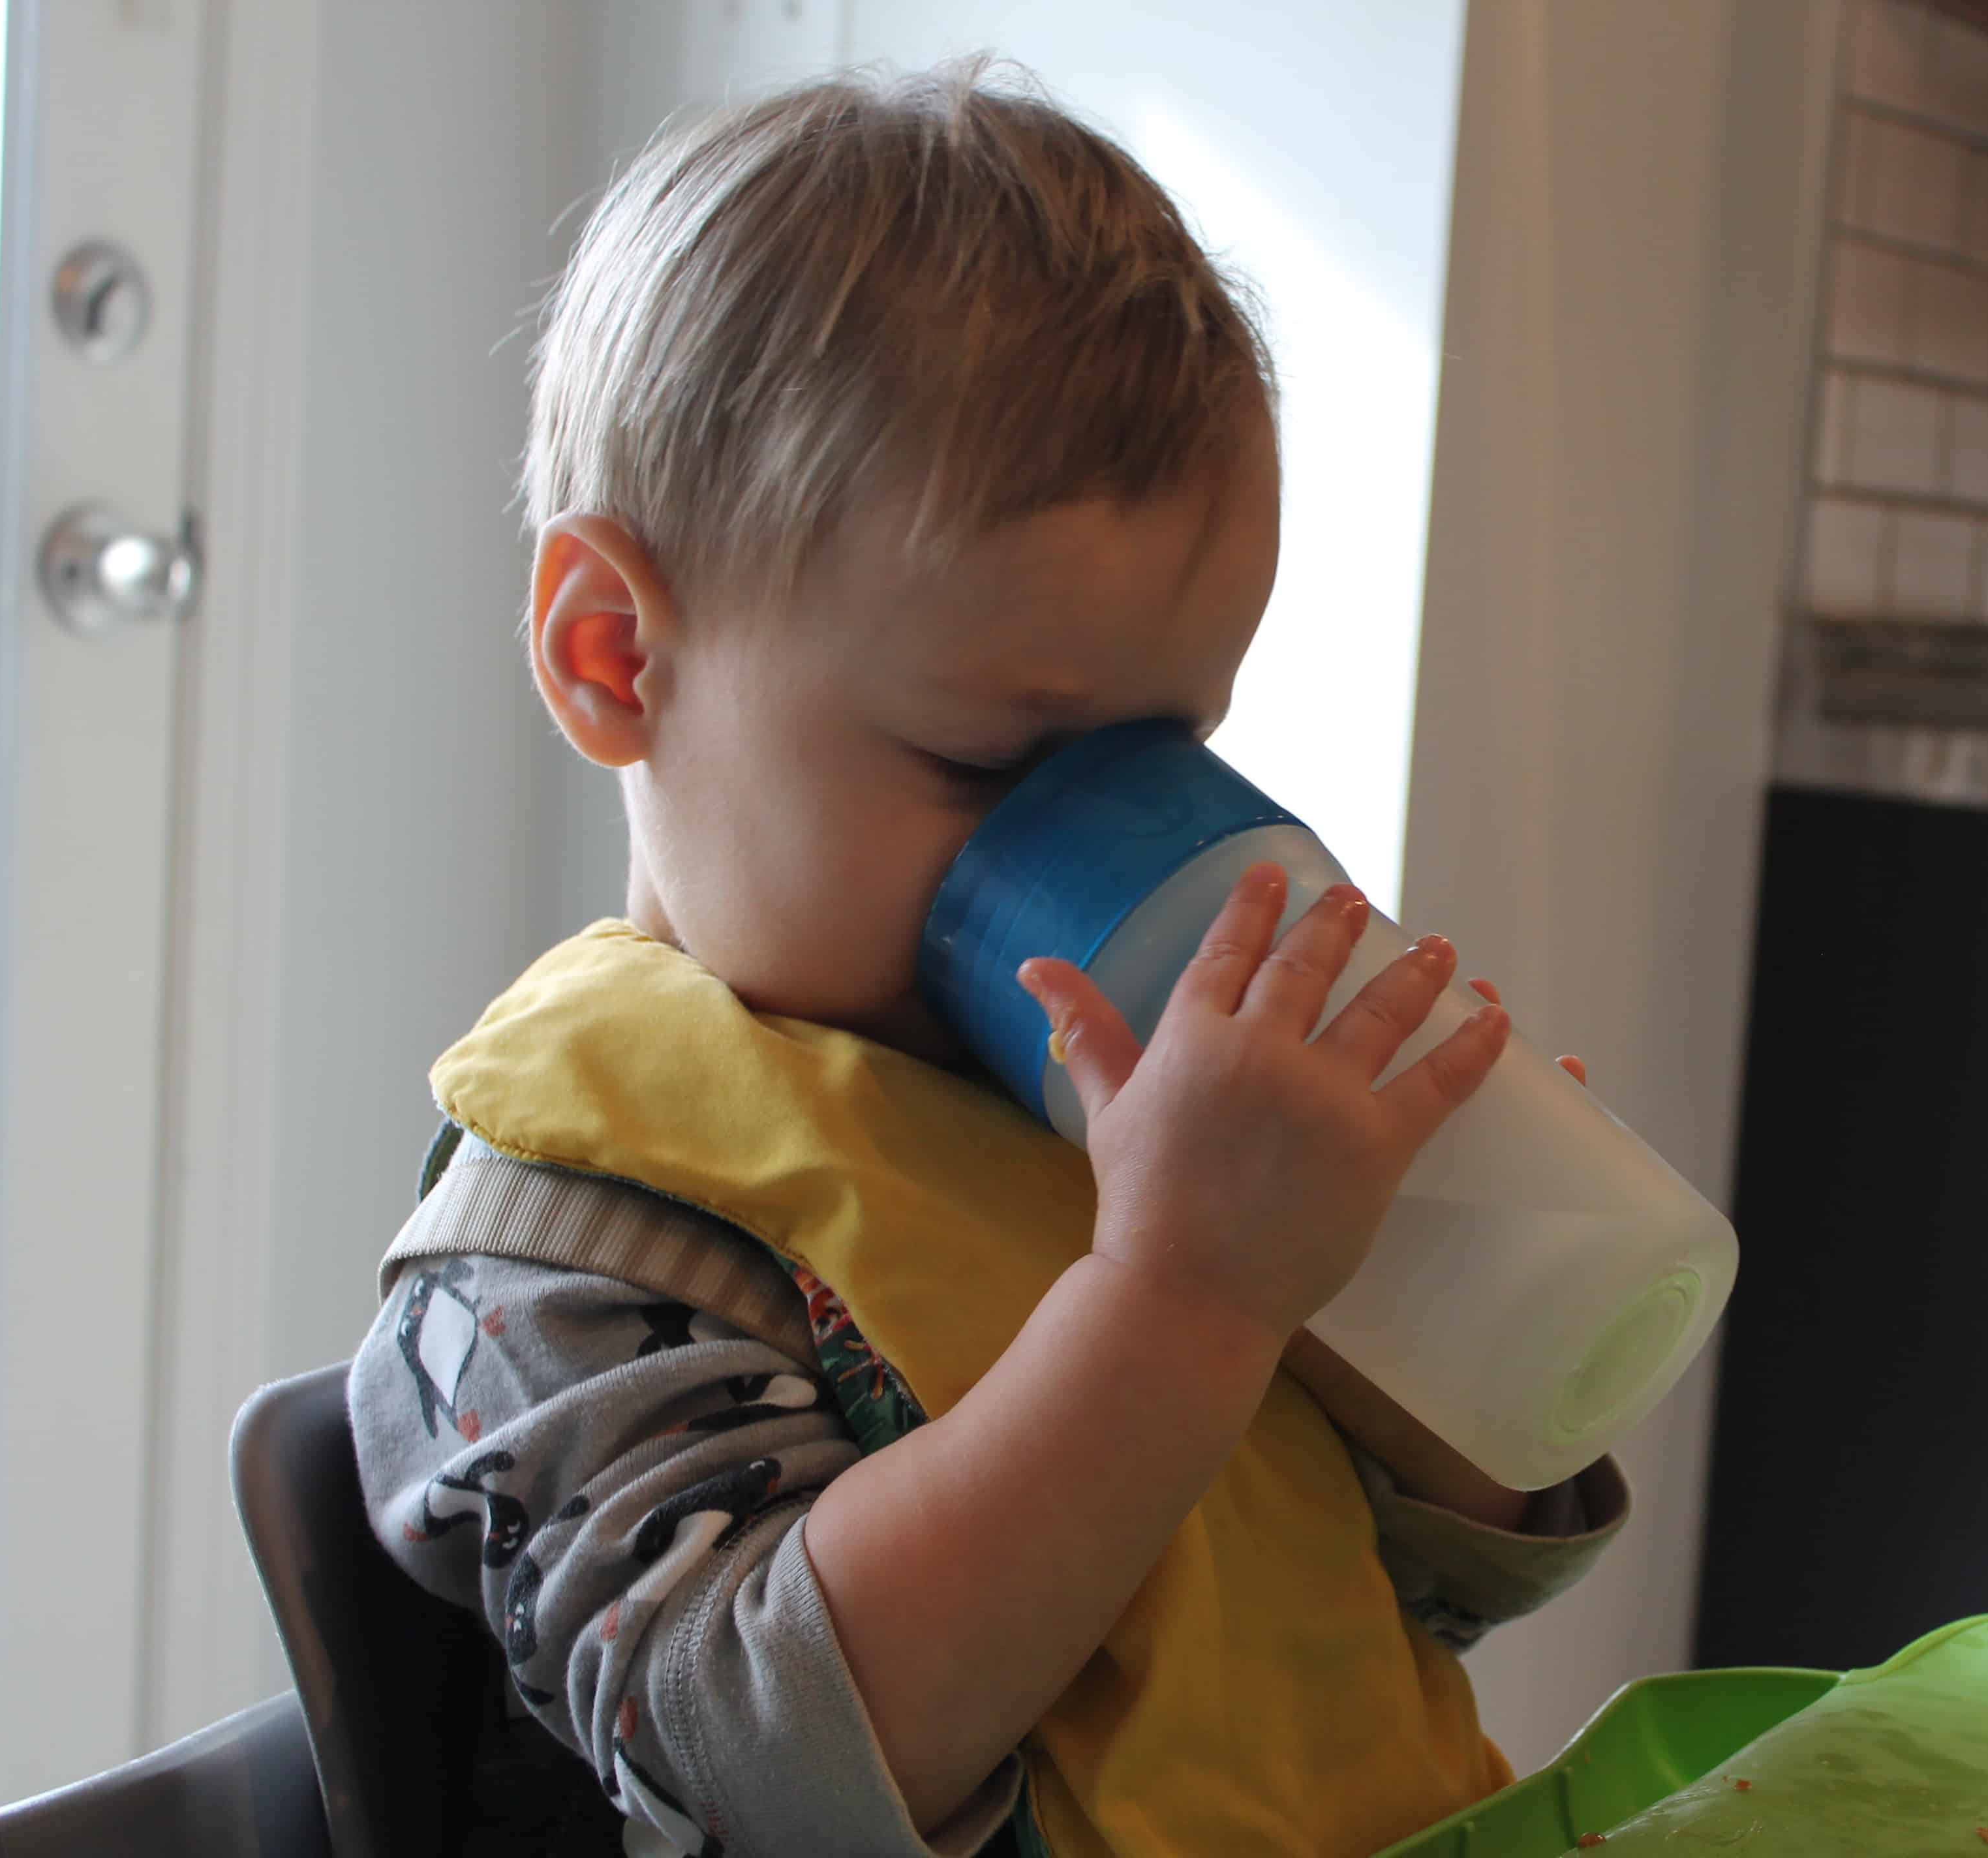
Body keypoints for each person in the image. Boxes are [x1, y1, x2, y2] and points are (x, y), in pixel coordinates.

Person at [348, 60, 1629, 1858]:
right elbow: (763, 1764)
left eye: (1164, 753)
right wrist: (1184, 1301)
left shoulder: (1103, 1096)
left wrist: (1433, 1307)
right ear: (616, 656)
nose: (1087, 846)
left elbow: (1402, 1602)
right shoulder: (563, 1262)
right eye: (992, 769)